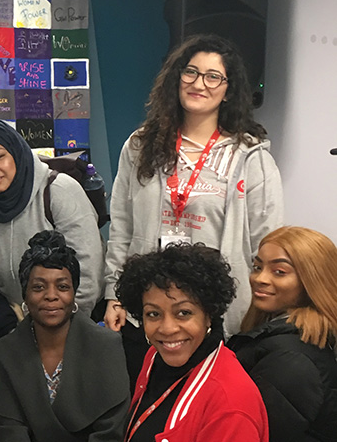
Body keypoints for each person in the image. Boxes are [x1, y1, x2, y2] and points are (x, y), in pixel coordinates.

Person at [103, 34, 283, 346]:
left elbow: (267, 243)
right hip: (149, 308)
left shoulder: (250, 158)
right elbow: (122, 227)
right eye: (191, 72)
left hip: (217, 313)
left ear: (228, 91)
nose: (199, 84)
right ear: (177, 78)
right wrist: (114, 294)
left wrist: (264, 311)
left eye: (214, 77)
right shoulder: (140, 146)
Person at [0, 230, 130, 441]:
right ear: (25, 295)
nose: (51, 296)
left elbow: (110, 433)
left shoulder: (107, 347)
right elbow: (10, 434)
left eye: (62, 287)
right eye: (38, 287)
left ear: (74, 292)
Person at [116, 243, 268, 442]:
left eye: (184, 313)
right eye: (153, 314)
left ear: (209, 315)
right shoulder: (154, 357)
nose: (167, 329)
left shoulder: (231, 405)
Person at [0, 118, 103, 313]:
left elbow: (87, 272)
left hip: (65, 320)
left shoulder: (59, 191)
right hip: (8, 326)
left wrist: (66, 327)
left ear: (16, 152)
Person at [227, 226, 337, 442]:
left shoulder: (291, 359)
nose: (260, 278)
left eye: (279, 272)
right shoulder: (279, 338)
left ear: (313, 280)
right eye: (257, 267)